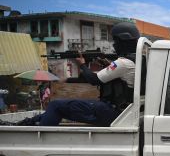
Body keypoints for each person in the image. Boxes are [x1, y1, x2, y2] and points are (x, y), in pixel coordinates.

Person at [10, 22, 140, 126]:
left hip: (111, 112)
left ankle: (42, 138)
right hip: (119, 111)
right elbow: (113, 78)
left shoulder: (123, 63)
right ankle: (26, 123)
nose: (114, 45)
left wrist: (82, 64)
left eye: (116, 41)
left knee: (55, 105)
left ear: (123, 41)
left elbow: (93, 80)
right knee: (61, 107)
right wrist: (105, 65)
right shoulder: (137, 61)